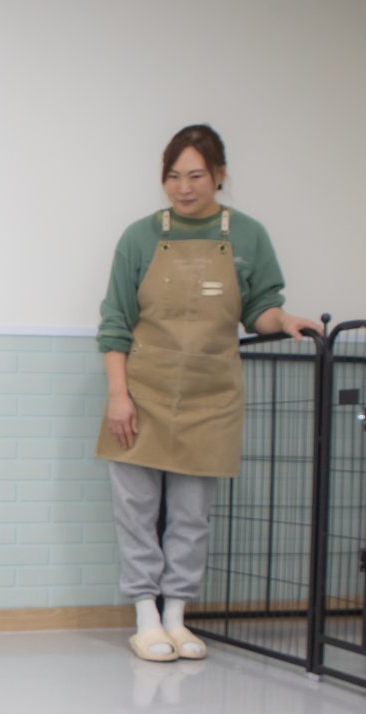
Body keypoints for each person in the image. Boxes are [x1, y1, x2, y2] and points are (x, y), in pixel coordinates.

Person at [96, 124, 320, 663]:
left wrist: (284, 319)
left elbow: (259, 308)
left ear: (220, 176)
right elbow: (115, 323)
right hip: (143, 392)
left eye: (196, 175)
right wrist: (118, 395)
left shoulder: (247, 236)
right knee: (137, 509)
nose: (184, 187)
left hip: (210, 396)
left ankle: (177, 615)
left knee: (192, 516)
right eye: (173, 176)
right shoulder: (140, 238)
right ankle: (145, 617)